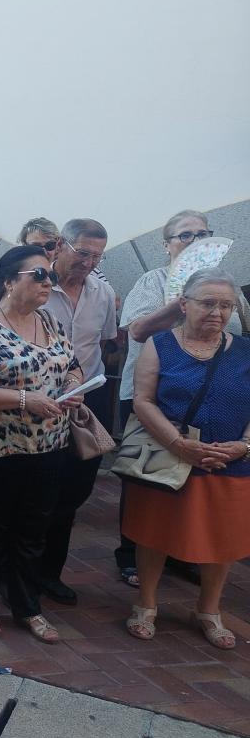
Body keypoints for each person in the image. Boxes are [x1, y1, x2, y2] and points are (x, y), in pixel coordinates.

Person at [0, 245, 84, 643]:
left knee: (34, 529)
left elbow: (72, 365)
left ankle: (27, 605)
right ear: (10, 281)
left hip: (48, 445)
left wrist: (75, 387)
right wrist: (25, 400)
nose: (48, 283)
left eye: (50, 276)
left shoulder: (50, 321)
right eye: (38, 275)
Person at [112, 210, 245, 587]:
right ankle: (132, 553)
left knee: (196, 484)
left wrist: (215, 296)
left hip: (213, 401)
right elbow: (136, 330)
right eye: (185, 235)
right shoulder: (152, 281)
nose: (195, 241)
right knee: (146, 474)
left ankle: (178, 552)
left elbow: (241, 334)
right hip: (154, 394)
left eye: (203, 234)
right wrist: (185, 300)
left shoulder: (225, 285)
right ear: (167, 243)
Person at [123, 269, 250, 650]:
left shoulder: (245, 350)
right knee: (155, 533)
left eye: (225, 305)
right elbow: (143, 400)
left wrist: (244, 446)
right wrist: (179, 444)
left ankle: (208, 610)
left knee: (222, 538)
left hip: (231, 460)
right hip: (169, 457)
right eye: (208, 303)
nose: (217, 312)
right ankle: (145, 603)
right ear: (184, 304)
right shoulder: (161, 344)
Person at [40, 218, 117, 604]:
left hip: (87, 401)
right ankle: (16, 571)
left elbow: (104, 343)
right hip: (38, 402)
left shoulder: (102, 293)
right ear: (60, 245)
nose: (88, 262)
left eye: (96, 256)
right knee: (37, 489)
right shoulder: (33, 285)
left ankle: (50, 573)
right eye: (82, 252)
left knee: (74, 490)